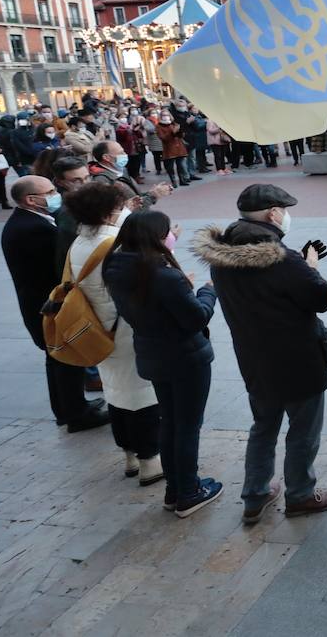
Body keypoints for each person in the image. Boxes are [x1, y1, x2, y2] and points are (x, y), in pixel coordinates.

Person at [193, 184, 327, 522]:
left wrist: (298, 262)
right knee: (304, 430)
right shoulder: (283, 260)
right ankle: (301, 495)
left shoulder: (221, 255)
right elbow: (321, 298)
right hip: (297, 359)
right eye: (284, 209)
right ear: (274, 214)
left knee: (263, 426)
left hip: (254, 359)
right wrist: (310, 266)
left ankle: (255, 495)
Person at [104, 210, 221, 516]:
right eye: (168, 232)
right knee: (187, 426)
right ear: (155, 238)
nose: (171, 236)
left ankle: (175, 489)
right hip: (185, 358)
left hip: (152, 355)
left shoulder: (116, 266)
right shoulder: (162, 274)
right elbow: (196, 317)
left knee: (170, 422)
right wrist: (207, 292)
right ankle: (189, 491)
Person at [63, 183, 164, 486]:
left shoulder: (77, 242)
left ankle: (131, 455)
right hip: (126, 330)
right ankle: (150, 462)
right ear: (109, 212)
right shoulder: (114, 244)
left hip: (97, 331)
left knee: (117, 395)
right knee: (143, 395)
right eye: (120, 208)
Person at [0, 175, 108, 432]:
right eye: (49, 191)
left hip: (40, 303)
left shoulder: (29, 221)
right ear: (31, 199)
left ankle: (67, 409)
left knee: (57, 358)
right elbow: (57, 265)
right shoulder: (31, 228)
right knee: (66, 358)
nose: (55, 194)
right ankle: (76, 415)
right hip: (47, 305)